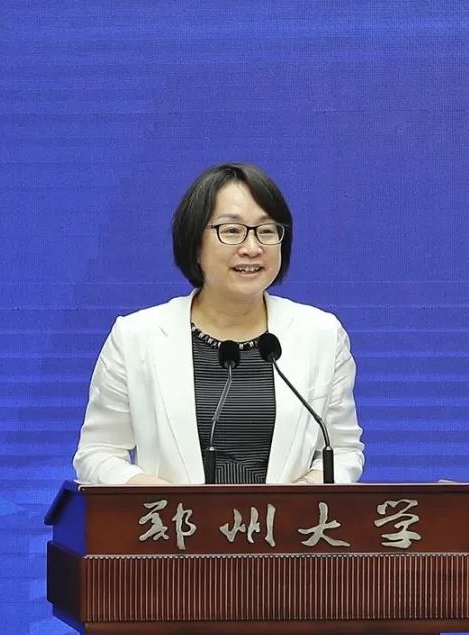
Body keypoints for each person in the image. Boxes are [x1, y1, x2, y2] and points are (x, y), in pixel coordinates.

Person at [73, 163, 363, 484]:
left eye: (267, 231)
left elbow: (343, 450)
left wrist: (304, 495)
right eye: (232, 231)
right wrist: (150, 493)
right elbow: (97, 452)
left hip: (287, 518)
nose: (252, 248)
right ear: (195, 243)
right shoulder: (136, 337)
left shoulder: (322, 335)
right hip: (173, 517)